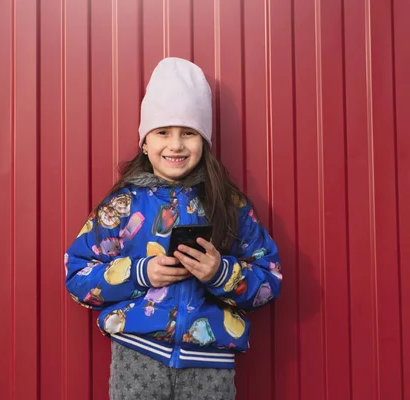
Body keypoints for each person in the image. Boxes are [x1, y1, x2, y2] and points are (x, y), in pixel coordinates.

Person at [64, 57, 282, 400]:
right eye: (163, 131)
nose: (176, 145)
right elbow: (77, 278)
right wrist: (140, 272)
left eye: (188, 133)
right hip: (137, 358)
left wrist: (222, 273)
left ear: (204, 141)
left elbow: (270, 279)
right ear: (145, 141)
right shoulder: (122, 206)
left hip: (210, 365)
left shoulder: (229, 205)